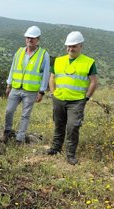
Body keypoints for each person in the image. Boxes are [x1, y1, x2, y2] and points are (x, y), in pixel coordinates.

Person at [46, 31, 98, 165]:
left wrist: (87, 97)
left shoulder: (89, 62)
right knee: (59, 124)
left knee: (73, 126)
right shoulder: (58, 60)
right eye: (68, 46)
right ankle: (56, 148)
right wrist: (52, 93)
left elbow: (93, 81)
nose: (70, 49)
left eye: (74, 46)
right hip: (59, 99)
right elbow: (52, 77)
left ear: (81, 45)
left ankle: (70, 154)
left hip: (77, 101)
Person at [3, 26, 50, 144]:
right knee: (9, 111)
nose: (30, 40)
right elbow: (13, 68)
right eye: (28, 37)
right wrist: (9, 84)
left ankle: (19, 138)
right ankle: (7, 132)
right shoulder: (19, 52)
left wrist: (42, 91)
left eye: (32, 38)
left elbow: (45, 74)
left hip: (30, 90)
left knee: (25, 115)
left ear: (38, 39)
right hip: (16, 87)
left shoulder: (43, 55)